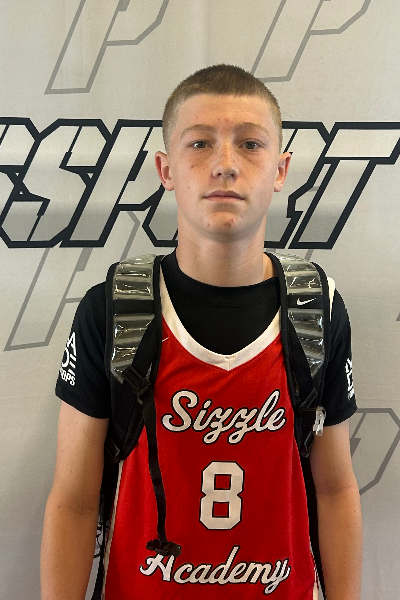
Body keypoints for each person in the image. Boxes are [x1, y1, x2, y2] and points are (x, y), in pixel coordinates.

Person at [41, 64, 362, 600]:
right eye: (200, 143)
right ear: (165, 169)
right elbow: (73, 501)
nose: (225, 165)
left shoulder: (316, 308)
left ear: (281, 169)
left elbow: (335, 489)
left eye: (251, 144)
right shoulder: (113, 309)